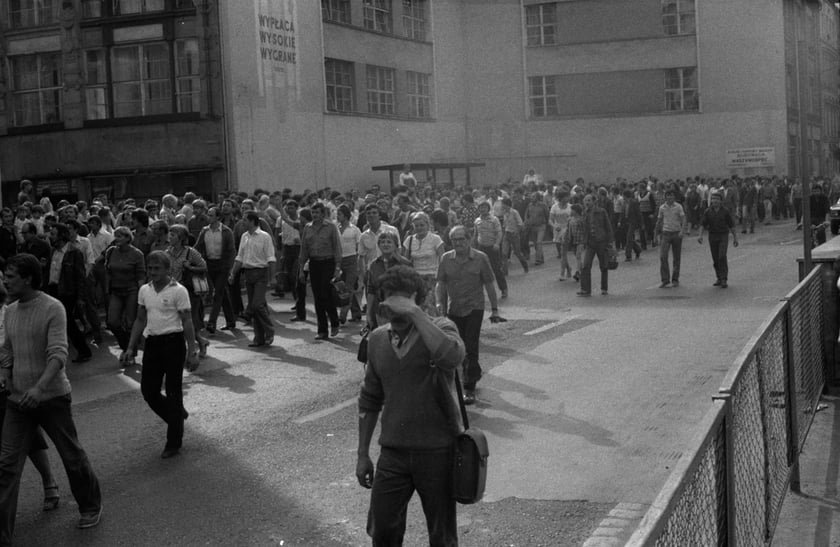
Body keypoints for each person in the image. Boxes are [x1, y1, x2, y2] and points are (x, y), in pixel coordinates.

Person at [356, 265, 466, 547]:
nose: (397, 305)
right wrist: (362, 454)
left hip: (437, 451)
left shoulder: (440, 327)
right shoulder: (379, 339)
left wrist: (416, 313)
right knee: (382, 531)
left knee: (442, 536)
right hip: (394, 452)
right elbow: (369, 399)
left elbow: (451, 357)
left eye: (404, 297)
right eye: (390, 297)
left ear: (417, 297)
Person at [0, 253, 103, 541]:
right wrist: (7, 376)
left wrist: (39, 388)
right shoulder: (9, 310)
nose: (6, 282)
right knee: (6, 466)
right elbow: (7, 350)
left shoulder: (52, 307)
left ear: (29, 278)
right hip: (17, 401)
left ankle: (90, 505)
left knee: (71, 456)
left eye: (10, 277)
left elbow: (58, 353)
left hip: (52, 398)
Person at [121, 251, 199, 459]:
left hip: (174, 343)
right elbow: (139, 320)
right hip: (153, 343)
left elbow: (187, 321)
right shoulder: (144, 290)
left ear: (167, 270)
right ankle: (176, 416)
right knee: (149, 391)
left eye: (157, 268)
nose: (153, 272)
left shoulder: (178, 291)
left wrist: (192, 351)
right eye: (150, 268)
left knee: (174, 392)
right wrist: (130, 348)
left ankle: (173, 442)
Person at [0, 278, 60, 515]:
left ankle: (48, 481)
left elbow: (10, 348)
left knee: (25, 439)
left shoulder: (8, 313)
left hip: (9, 384)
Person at [436, 225, 501, 405]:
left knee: (470, 346)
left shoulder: (481, 258)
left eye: (461, 239)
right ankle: (473, 372)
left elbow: (489, 284)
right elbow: (440, 283)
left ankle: (469, 387)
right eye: (455, 240)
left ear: (469, 239)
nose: (458, 243)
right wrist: (439, 303)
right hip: (453, 309)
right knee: (458, 346)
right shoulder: (446, 259)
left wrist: (494, 309)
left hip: (474, 308)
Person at [46, 223, 93, 362]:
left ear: (61, 236)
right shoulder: (53, 251)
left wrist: (80, 297)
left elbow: (80, 277)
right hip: (53, 289)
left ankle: (83, 351)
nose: (50, 236)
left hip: (67, 291)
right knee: (61, 322)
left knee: (68, 322)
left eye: (53, 234)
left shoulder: (73, 252)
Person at [229, 211, 276, 347]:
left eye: (244, 220)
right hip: (248, 274)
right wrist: (233, 273)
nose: (242, 222)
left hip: (261, 273)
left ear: (252, 221)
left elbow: (271, 258)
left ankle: (269, 330)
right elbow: (239, 257)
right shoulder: (244, 236)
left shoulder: (264, 237)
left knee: (256, 304)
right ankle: (259, 338)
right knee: (255, 308)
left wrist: (272, 278)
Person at [298, 203, 343, 340]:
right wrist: (301, 270)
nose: (315, 215)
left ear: (323, 214)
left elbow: (337, 247)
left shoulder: (330, 227)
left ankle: (334, 322)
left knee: (325, 293)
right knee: (317, 297)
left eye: (317, 212)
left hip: (328, 263)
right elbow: (304, 249)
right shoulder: (307, 228)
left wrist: (337, 268)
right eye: (313, 212)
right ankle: (322, 330)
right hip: (314, 263)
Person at [166, 225, 209, 358]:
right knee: (175, 321)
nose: (170, 237)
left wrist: (189, 266)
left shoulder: (191, 252)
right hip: (172, 291)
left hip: (188, 292)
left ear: (181, 238)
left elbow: (203, 267)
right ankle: (199, 342)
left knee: (188, 321)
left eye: (173, 235)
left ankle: (196, 345)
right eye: (170, 234)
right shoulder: (167, 252)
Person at [104, 226, 146, 356]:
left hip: (131, 291)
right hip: (116, 291)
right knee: (112, 322)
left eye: (120, 236)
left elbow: (141, 275)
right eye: (115, 236)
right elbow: (107, 271)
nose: (116, 239)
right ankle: (125, 345)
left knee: (130, 323)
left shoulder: (137, 254)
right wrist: (107, 290)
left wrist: (142, 296)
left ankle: (130, 351)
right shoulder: (111, 251)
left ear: (128, 238)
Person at [195, 207, 236, 333]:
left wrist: (230, 268)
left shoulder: (226, 231)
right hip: (210, 265)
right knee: (222, 292)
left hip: (222, 265)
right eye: (208, 215)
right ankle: (231, 321)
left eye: (211, 215)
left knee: (217, 293)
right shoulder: (204, 231)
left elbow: (231, 251)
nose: (209, 217)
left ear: (218, 217)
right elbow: (197, 247)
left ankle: (212, 322)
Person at [402, 212, 444, 315]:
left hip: (432, 277)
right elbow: (406, 261)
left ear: (427, 225)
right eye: (416, 226)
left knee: (429, 307)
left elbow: (443, 259)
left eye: (422, 225)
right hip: (416, 279)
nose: (419, 228)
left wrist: (441, 278)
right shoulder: (409, 240)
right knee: (417, 308)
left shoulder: (435, 239)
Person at [698, 192, 739, 288]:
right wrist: (700, 235)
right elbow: (702, 224)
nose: (715, 201)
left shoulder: (725, 211)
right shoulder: (708, 211)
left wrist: (735, 238)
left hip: (723, 235)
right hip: (712, 235)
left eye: (717, 199)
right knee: (715, 258)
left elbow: (731, 225)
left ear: (721, 201)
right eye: (713, 199)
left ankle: (724, 278)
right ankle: (719, 277)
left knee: (722, 256)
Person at [578, 194, 614, 297]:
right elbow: (584, 228)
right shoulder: (585, 213)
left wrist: (610, 241)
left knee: (603, 265)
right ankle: (585, 289)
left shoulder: (601, 212)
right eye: (585, 201)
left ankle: (604, 288)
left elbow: (608, 226)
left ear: (594, 201)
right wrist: (582, 241)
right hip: (590, 242)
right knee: (586, 265)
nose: (587, 202)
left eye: (589, 200)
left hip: (601, 241)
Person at [473, 201, 507, 298]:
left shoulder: (494, 219)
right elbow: (475, 235)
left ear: (488, 208)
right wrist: (473, 247)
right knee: (479, 270)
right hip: (481, 247)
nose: (482, 209)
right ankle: (478, 292)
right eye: (480, 207)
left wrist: (497, 244)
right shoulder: (477, 221)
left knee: (497, 269)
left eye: (484, 207)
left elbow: (499, 233)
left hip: (492, 248)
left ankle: (503, 289)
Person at [336, 205, 363, 324]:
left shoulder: (354, 229)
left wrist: (358, 262)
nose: (337, 216)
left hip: (351, 259)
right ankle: (356, 313)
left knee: (349, 287)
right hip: (339, 260)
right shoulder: (336, 228)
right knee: (342, 287)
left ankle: (343, 314)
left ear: (346, 215)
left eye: (340, 214)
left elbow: (359, 246)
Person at [655, 190, 686, 288]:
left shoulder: (678, 206)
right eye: (668, 196)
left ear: (674, 197)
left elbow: (684, 219)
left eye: (671, 196)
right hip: (666, 233)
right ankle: (665, 279)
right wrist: (655, 235)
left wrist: (682, 231)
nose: (670, 198)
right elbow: (659, 221)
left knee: (676, 257)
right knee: (663, 256)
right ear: (665, 197)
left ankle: (675, 279)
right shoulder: (662, 208)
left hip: (676, 233)